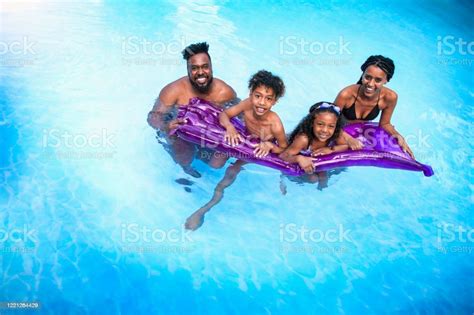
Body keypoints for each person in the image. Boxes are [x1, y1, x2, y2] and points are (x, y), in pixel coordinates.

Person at [185, 70, 288, 230]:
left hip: (256, 149)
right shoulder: (247, 104)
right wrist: (230, 127)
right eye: (257, 96)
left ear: (274, 102)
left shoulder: (275, 123)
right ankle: (190, 172)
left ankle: (205, 208)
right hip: (242, 137)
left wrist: (269, 145)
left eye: (268, 99)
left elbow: (283, 148)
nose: (261, 102)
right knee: (215, 163)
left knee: (232, 170)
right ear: (251, 94)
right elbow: (224, 115)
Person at [147, 42, 237, 177]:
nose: (200, 72)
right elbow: (153, 117)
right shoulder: (174, 90)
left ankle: (202, 156)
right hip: (180, 132)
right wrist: (166, 125)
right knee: (182, 149)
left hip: (209, 132)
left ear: (211, 68)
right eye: (194, 68)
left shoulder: (224, 92)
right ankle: (185, 169)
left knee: (216, 163)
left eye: (205, 67)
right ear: (188, 70)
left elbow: (242, 115)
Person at [334, 55, 414, 158]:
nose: (371, 84)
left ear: (386, 80)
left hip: (360, 132)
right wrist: (348, 139)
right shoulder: (346, 94)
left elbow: (385, 123)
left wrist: (398, 135)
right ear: (362, 75)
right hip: (338, 129)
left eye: (378, 80)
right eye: (367, 77)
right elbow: (331, 121)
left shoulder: (390, 97)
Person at [279, 102, 348, 185]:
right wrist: (299, 158)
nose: (325, 130)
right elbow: (283, 156)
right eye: (320, 124)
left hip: (316, 160)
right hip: (299, 158)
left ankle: (322, 193)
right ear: (312, 123)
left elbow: (345, 146)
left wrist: (331, 149)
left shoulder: (336, 134)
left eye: (331, 126)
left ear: (336, 126)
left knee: (324, 177)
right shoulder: (303, 139)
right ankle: (285, 179)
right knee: (313, 179)